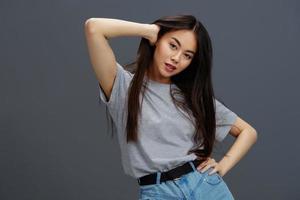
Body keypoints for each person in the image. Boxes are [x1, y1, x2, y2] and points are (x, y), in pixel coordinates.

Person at [84, 14, 258, 200]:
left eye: (187, 55)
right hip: (158, 192)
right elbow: (94, 28)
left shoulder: (191, 98)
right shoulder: (123, 87)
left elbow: (248, 132)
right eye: (173, 45)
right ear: (157, 40)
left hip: (205, 185)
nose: (176, 58)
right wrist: (150, 30)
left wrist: (223, 165)